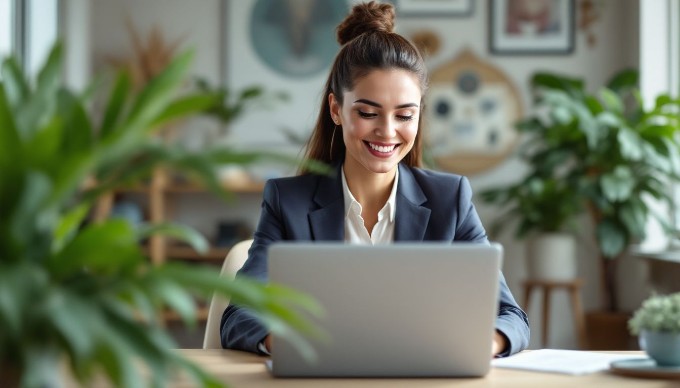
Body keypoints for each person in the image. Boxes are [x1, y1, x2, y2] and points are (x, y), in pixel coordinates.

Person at [221, 1, 530, 358]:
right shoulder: (287, 201)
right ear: (336, 109)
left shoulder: (451, 200)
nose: (387, 132)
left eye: (404, 115)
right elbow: (239, 315)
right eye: (368, 113)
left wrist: (480, 344)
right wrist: (296, 349)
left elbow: (511, 317)